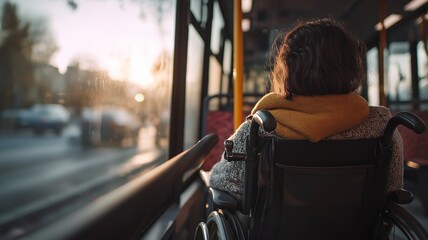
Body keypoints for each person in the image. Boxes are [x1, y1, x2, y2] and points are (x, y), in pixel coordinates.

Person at [209, 18, 403, 201]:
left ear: (287, 70)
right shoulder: (381, 125)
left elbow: (223, 181)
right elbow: (391, 187)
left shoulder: (260, 128)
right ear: (352, 67)